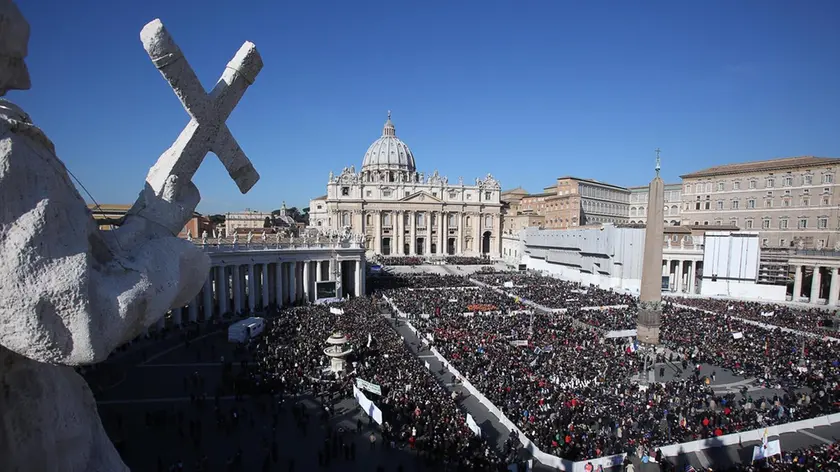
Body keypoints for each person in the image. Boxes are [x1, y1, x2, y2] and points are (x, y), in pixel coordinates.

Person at [0, 2, 209, 470]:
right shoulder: (3, 151)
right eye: (14, 62)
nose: (29, 80)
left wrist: (150, 219)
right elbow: (71, 315)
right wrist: (178, 265)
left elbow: (77, 266)